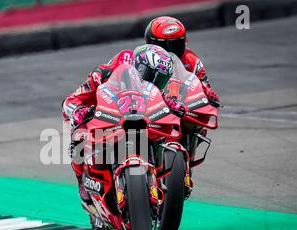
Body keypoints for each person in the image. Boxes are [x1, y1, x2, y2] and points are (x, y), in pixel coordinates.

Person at [62, 45, 181, 204]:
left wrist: (171, 104)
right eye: (152, 76)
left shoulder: (148, 86)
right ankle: (82, 180)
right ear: (140, 67)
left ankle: (156, 172)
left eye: (161, 80)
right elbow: (70, 101)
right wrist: (78, 110)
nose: (155, 83)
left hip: (135, 114)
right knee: (79, 135)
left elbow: (158, 97)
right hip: (99, 115)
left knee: (164, 128)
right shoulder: (103, 74)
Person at [144, 16, 220, 106]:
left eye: (175, 45)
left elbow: (204, 87)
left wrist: (208, 93)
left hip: (183, 109)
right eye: (162, 46)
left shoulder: (191, 60)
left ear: (184, 42)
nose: (169, 53)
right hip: (152, 107)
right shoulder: (143, 59)